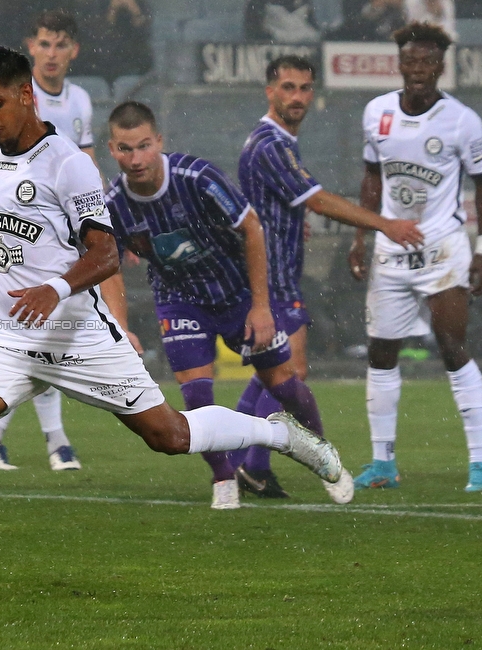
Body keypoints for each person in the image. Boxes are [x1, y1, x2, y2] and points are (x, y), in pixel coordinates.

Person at [0, 47, 346, 614]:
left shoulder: (68, 163)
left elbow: (106, 254)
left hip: (77, 337)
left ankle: (278, 433)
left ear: (27, 95)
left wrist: (53, 289)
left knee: (170, 436)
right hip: (5, 336)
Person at [101, 101, 356, 510]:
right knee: (197, 397)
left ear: (159, 142)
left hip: (237, 294)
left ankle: (322, 454)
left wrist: (261, 306)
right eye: (126, 149)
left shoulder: (197, 177)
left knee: (285, 386)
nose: (136, 159)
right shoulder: (111, 203)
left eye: (144, 146)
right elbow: (108, 265)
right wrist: (120, 324)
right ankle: (224, 479)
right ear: (112, 150)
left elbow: (252, 228)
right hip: (179, 300)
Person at [230, 55, 424, 499]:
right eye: (288, 88)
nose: (297, 96)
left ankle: (243, 464)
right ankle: (251, 464)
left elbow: (286, 204)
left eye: (304, 88)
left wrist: (292, 218)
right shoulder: (270, 144)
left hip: (277, 275)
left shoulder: (276, 143)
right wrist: (385, 224)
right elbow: (317, 199)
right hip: (272, 280)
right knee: (290, 371)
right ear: (270, 91)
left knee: (270, 374)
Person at [348, 22, 482, 492]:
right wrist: (360, 236)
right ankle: (383, 463)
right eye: (410, 61)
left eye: (427, 62)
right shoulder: (376, 113)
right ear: (399, 63)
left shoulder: (462, 120)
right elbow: (373, 177)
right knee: (380, 352)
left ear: (440, 66)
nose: (417, 70)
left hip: (442, 247)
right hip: (392, 248)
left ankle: (479, 464)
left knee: (452, 348)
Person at [0, 10, 97, 472]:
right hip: (14, 237)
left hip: (60, 236)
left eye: (60, 45)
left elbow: (89, 168)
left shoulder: (80, 102)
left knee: (42, 335)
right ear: (30, 48)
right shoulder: (4, 98)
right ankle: (50, 441)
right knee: (36, 333)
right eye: (43, 44)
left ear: (73, 51)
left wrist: (101, 227)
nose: (51, 54)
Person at [244, 0, 321, 43]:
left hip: (305, 48)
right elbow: (253, 34)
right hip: (271, 49)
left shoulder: (304, 5)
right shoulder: (257, 5)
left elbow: (314, 29)